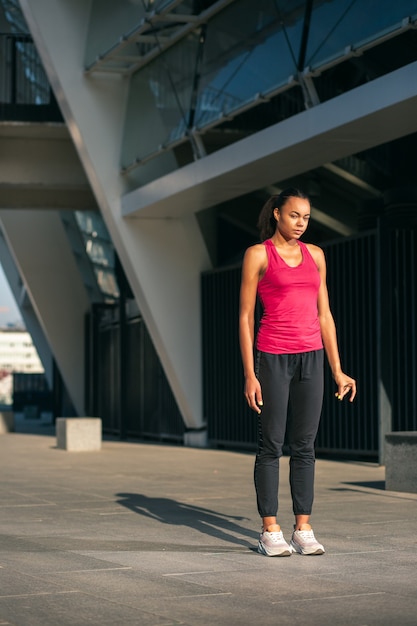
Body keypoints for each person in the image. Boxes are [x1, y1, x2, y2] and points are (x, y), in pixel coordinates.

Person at [239, 187, 356, 557]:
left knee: (305, 445)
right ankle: (269, 528)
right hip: (272, 356)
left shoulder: (316, 255)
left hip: (312, 357)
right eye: (294, 215)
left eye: (306, 217)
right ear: (276, 213)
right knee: (271, 443)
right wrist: (250, 374)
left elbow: (325, 315)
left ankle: (302, 528)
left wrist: (337, 369)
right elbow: (244, 317)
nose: (301, 223)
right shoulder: (258, 255)